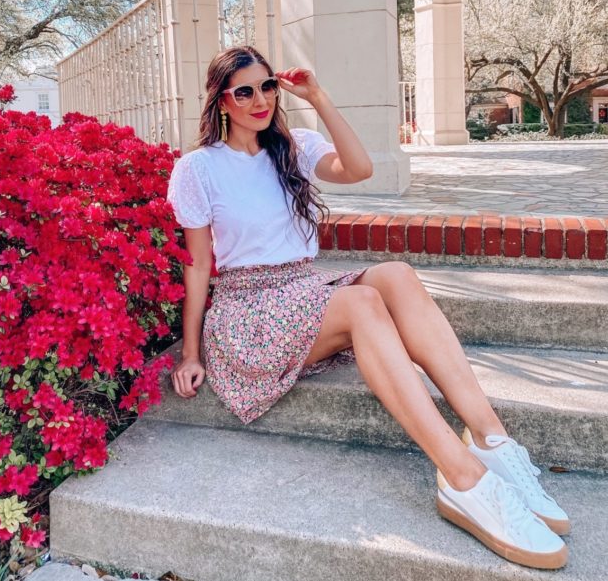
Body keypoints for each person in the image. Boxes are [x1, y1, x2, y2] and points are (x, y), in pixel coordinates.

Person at [166, 45, 569, 570]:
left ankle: (492, 441)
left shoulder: (292, 147)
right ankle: (464, 480)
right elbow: (198, 266)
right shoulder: (197, 169)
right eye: (245, 91)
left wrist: (317, 96)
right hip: (248, 313)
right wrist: (191, 353)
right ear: (222, 101)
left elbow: (358, 168)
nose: (261, 99)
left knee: (395, 275)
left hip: (299, 291)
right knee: (361, 302)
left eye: (267, 86)